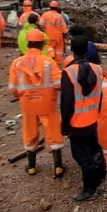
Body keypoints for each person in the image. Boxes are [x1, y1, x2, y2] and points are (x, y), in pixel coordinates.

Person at [9, 29, 65, 178]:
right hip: (47, 104)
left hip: (28, 105)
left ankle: (32, 167)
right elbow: (59, 84)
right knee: (53, 132)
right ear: (41, 45)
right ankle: (58, 167)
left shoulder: (17, 63)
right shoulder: (48, 62)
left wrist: (23, 95)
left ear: (28, 44)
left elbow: (13, 88)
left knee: (30, 133)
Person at [61, 36, 107, 201]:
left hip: (77, 122)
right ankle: (99, 177)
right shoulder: (98, 69)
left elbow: (66, 102)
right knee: (94, 149)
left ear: (72, 50)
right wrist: (97, 111)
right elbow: (100, 94)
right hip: (92, 118)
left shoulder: (68, 72)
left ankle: (90, 190)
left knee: (81, 156)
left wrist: (65, 124)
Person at [40, 1, 68, 65]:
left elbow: (41, 25)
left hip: (48, 36)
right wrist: (66, 33)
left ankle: (49, 62)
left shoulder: (45, 15)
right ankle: (58, 62)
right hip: (58, 37)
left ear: (50, 7)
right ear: (57, 8)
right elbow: (64, 27)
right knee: (58, 49)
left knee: (49, 49)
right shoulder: (59, 16)